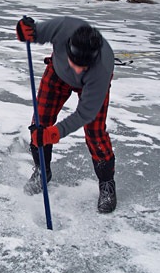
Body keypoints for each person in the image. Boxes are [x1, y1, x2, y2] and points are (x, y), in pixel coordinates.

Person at [16, 15, 116, 213]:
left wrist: (55, 133)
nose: (78, 70)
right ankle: (42, 171)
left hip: (90, 86)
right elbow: (34, 32)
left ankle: (107, 183)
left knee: (95, 133)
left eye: (83, 66)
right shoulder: (63, 28)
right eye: (75, 62)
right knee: (39, 124)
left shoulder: (102, 68)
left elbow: (85, 113)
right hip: (58, 73)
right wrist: (24, 31)